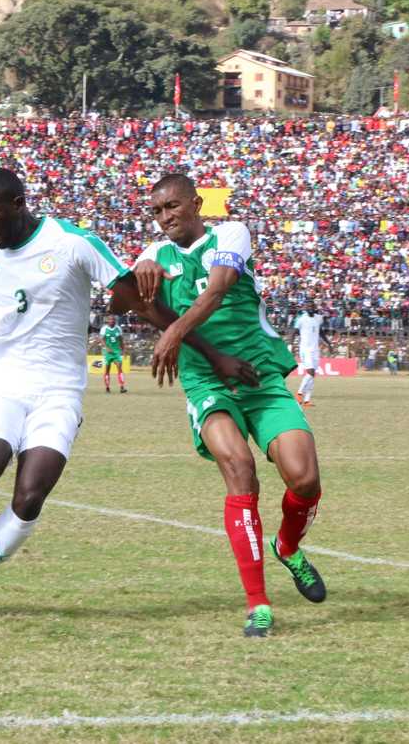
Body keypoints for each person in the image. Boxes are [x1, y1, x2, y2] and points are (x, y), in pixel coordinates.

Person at [0, 168, 255, 624]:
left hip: (59, 389)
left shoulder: (73, 243)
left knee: (31, 496)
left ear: (17, 204)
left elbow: (139, 300)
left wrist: (210, 352)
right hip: (2, 382)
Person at [129, 173, 327, 638]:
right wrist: (144, 271)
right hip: (206, 380)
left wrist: (174, 332)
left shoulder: (231, 233)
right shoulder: (155, 254)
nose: (164, 218)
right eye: (156, 212)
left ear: (196, 204)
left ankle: (288, 545)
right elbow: (140, 300)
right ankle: (258, 605)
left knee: (305, 478)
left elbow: (217, 290)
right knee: (240, 469)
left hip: (257, 372)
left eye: (172, 207)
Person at [293, 303, 332, 407]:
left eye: (312, 307)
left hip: (315, 350)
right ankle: (299, 393)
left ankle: (307, 400)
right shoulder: (301, 319)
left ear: (315, 308)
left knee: (312, 375)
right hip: (305, 349)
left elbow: (321, 332)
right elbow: (294, 332)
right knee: (310, 372)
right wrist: (291, 344)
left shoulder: (318, 318)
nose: (310, 308)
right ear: (306, 308)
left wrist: (329, 343)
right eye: (308, 307)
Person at [100, 314, 127, 394]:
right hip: (107, 352)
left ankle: (122, 387)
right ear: (107, 321)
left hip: (116, 351)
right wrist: (107, 348)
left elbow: (121, 340)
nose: (112, 321)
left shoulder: (118, 328)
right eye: (110, 319)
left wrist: (124, 350)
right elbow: (102, 339)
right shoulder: (104, 329)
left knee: (119, 366)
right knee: (107, 369)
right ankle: (107, 387)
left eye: (113, 319)